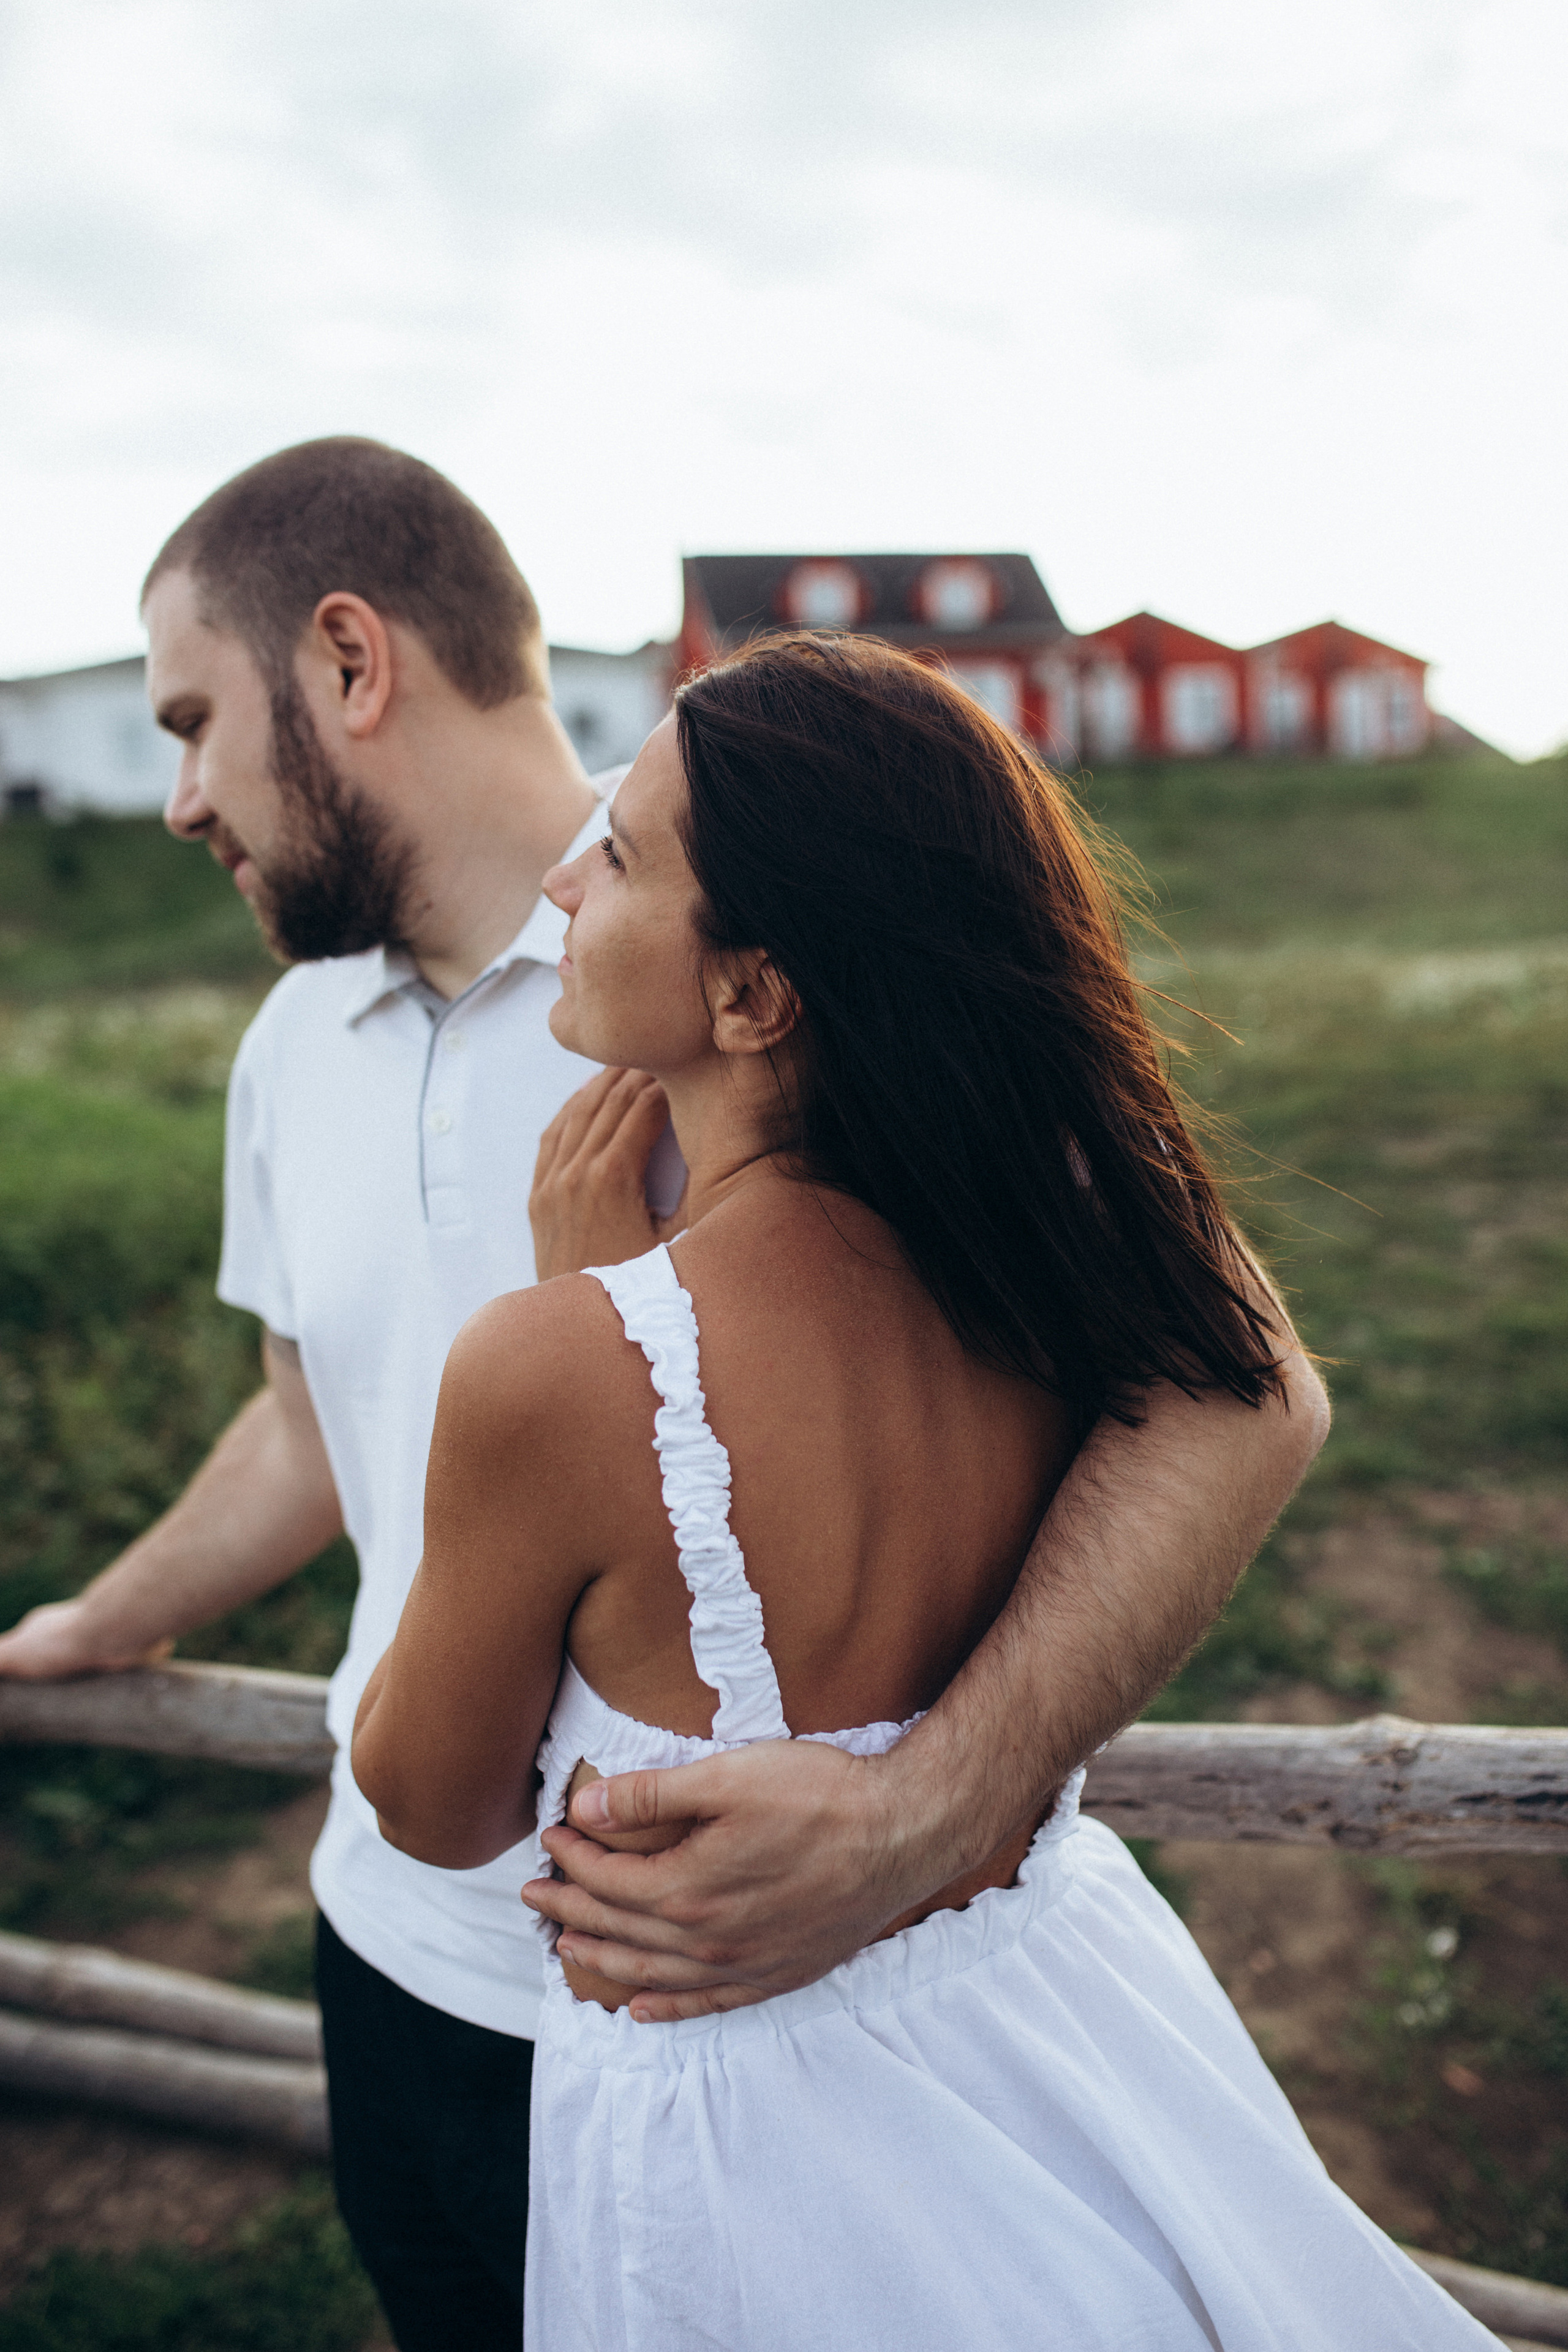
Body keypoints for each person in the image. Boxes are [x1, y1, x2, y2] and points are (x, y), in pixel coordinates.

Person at [0, 443, 1327, 2349]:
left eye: (198, 721)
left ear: (351, 662)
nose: (179, 796)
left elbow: (1242, 1384)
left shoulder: (823, 956)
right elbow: (312, 1418)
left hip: (743, 2006)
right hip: (396, 1958)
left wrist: (927, 1813)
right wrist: (90, 1627)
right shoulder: (292, 1046)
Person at [352, 636, 1498, 2350]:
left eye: (627, 853)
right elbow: (1247, 1369)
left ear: (750, 995)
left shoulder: (560, 1365)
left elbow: (432, 1803)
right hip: (1059, 2027)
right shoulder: (1041, 1256)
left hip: (763, 2165)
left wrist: (579, 1312)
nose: (562, 876)